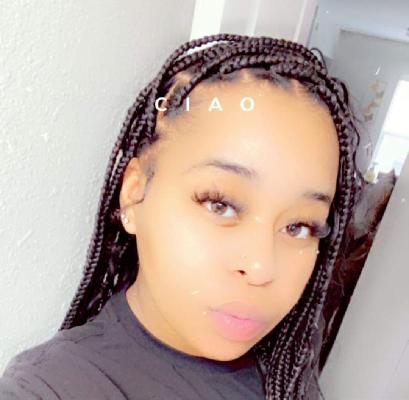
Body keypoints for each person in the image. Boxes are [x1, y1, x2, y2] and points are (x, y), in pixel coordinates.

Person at [0, 33, 364, 399]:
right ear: (135, 193)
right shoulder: (50, 389)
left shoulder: (288, 368)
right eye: (220, 204)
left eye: (300, 227)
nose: (261, 267)